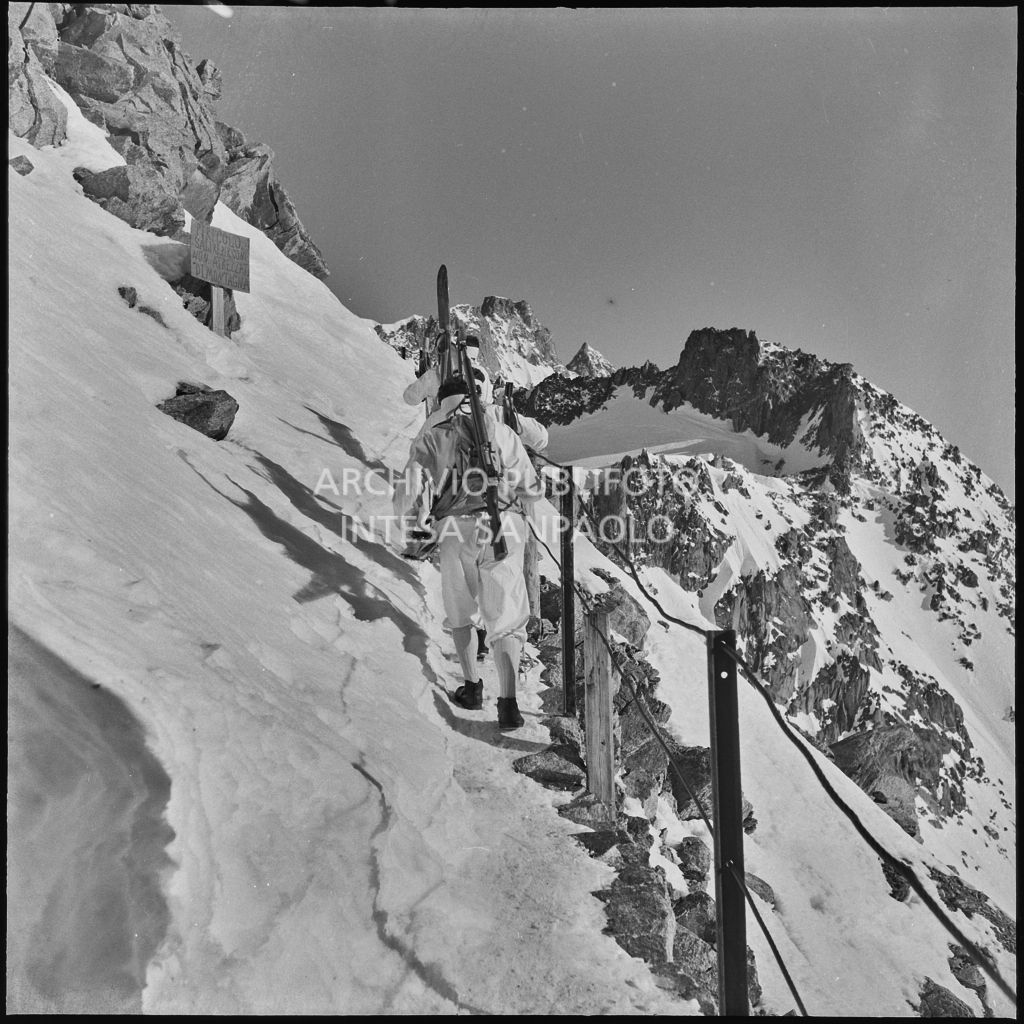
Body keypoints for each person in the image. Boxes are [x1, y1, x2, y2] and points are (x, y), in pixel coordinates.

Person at [393, 367, 543, 730]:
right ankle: (508, 706)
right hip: (503, 525)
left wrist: (412, 526)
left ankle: (472, 687)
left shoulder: (432, 430)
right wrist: (526, 526)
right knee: (506, 616)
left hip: (454, 528)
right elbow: (531, 486)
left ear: (441, 397)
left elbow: (411, 488)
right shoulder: (499, 430)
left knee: (461, 609)